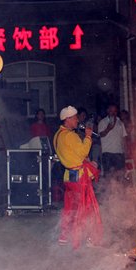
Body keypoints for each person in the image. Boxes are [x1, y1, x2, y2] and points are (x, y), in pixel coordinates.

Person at [53, 106, 102, 248]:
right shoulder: (70, 135)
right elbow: (82, 151)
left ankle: (65, 236)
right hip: (79, 176)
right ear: (67, 119)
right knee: (85, 207)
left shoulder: (57, 135)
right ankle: (87, 238)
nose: (77, 120)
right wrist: (88, 136)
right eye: (75, 118)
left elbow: (70, 155)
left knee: (70, 207)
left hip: (68, 175)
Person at [98, 104, 128, 178]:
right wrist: (109, 128)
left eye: (115, 111)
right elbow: (101, 135)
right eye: (111, 111)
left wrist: (125, 151)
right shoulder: (103, 122)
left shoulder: (120, 123)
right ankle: (108, 190)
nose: (113, 113)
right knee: (108, 177)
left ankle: (119, 190)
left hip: (119, 153)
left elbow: (123, 138)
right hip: (108, 153)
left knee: (120, 176)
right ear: (108, 111)